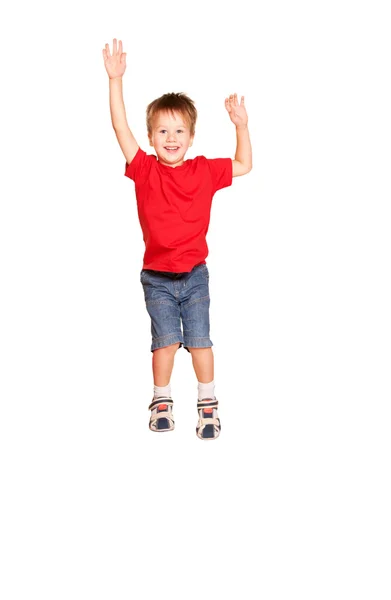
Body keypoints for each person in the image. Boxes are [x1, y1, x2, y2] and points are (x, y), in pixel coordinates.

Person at [102, 38, 252, 440]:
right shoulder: (145, 170)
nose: (171, 137)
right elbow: (120, 126)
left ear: (191, 136)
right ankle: (161, 400)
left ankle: (208, 404)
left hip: (195, 275)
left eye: (179, 130)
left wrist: (241, 125)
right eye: (162, 130)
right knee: (165, 344)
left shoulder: (203, 170)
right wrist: (116, 81)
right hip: (157, 277)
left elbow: (244, 164)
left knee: (200, 342)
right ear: (151, 137)